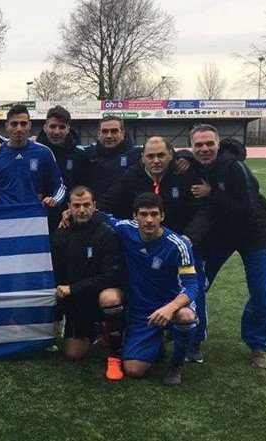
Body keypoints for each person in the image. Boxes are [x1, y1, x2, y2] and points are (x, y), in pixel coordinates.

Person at [180, 125, 266, 368]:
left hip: (254, 233)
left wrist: (211, 193)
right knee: (196, 285)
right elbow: (173, 155)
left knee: (261, 292)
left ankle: (258, 346)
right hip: (220, 235)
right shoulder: (196, 166)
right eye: (198, 145)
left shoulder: (235, 167)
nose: (204, 149)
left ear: (218, 144)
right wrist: (182, 156)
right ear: (192, 147)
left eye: (209, 144)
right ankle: (194, 338)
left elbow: (247, 208)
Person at [97, 192, 200, 386]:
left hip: (171, 306)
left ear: (163, 216)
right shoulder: (125, 229)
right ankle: (152, 343)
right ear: (135, 216)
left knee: (185, 316)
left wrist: (170, 308)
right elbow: (100, 216)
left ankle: (176, 364)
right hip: (142, 311)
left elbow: (192, 285)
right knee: (134, 370)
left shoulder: (178, 245)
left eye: (154, 214)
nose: (149, 220)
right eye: (143, 214)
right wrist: (67, 214)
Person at [51, 186, 126, 381]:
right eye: (76, 206)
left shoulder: (107, 233)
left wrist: (73, 288)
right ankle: (97, 329)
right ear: (69, 207)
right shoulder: (61, 234)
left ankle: (115, 352)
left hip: (101, 293)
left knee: (110, 298)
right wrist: (57, 314)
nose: (82, 210)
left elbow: (110, 277)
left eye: (86, 205)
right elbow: (58, 276)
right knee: (73, 354)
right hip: (78, 301)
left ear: (94, 205)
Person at [98, 136, 212, 250]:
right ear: (143, 158)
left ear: (171, 155)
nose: (156, 161)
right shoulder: (132, 176)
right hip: (142, 244)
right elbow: (106, 203)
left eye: (161, 155)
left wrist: (189, 237)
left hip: (179, 243)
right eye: (150, 156)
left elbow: (204, 208)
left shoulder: (184, 173)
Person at [0, 104, 66, 208]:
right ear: (6, 126)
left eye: (23, 124)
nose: (19, 128)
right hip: (5, 216)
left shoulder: (44, 152)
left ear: (29, 125)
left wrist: (55, 199)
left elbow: (59, 185)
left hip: (34, 215)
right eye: (14, 124)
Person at [83, 115, 142, 198]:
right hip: (96, 205)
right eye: (104, 131)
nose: (109, 136)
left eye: (114, 131)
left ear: (122, 134)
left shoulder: (137, 155)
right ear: (99, 134)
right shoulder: (88, 154)